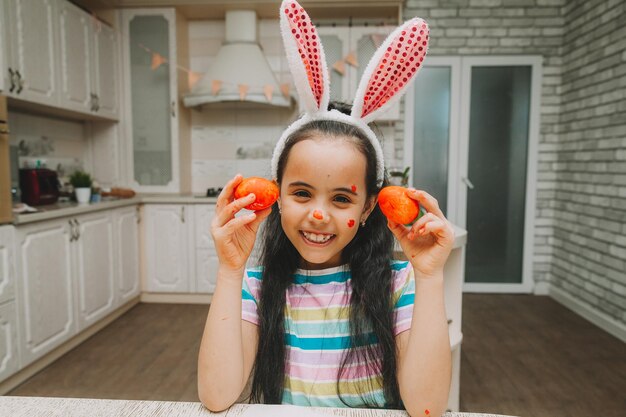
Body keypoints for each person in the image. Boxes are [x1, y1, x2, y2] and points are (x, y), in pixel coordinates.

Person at [198, 1, 455, 416]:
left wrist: (431, 278)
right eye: (302, 193)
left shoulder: (400, 284)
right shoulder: (257, 285)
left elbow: (427, 406)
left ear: (369, 206)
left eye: (341, 199)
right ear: (277, 195)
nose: (319, 214)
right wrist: (230, 271)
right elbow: (216, 396)